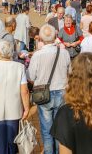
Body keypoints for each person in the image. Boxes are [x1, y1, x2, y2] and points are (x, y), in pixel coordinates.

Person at [28, 24, 71, 154]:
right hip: (62, 92)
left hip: (43, 93)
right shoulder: (64, 53)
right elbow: (70, 72)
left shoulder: (37, 55)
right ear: (55, 36)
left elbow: (30, 76)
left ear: (40, 37)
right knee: (59, 128)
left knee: (47, 130)